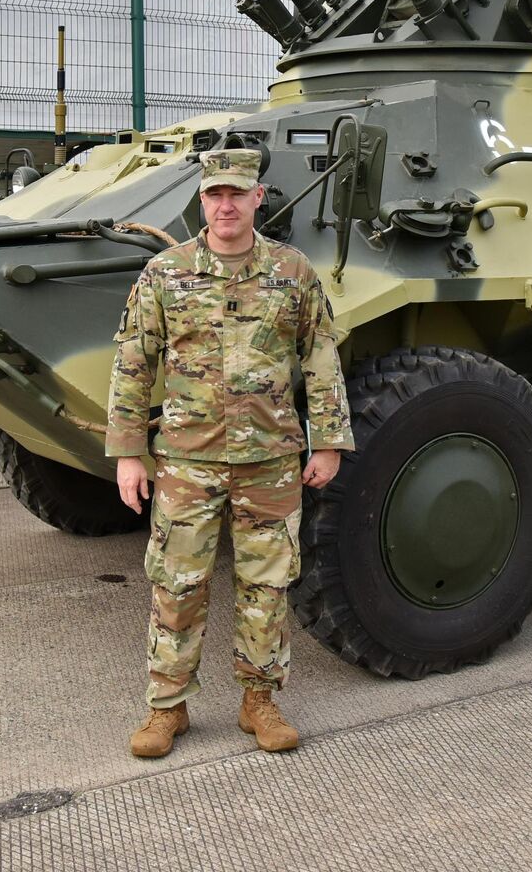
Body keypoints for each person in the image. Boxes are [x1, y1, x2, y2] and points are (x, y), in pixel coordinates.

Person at [107, 148, 353, 757]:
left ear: (257, 199)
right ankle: (167, 707)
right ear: (202, 199)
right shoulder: (166, 273)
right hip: (187, 460)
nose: (225, 205)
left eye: (236, 194)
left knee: (267, 584)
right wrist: (129, 452)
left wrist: (328, 441)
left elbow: (321, 356)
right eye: (215, 194)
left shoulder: (292, 272)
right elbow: (134, 359)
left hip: (270, 459)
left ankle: (259, 701)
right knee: (177, 583)